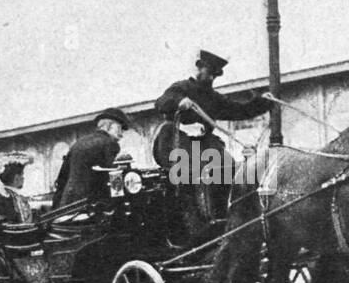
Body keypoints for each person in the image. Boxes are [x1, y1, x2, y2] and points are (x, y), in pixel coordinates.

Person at [153, 50, 272, 217]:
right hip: (178, 143)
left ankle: (229, 214)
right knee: (197, 176)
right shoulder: (180, 88)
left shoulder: (214, 98)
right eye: (209, 74)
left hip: (205, 144)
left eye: (214, 76)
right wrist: (178, 102)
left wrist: (262, 103)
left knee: (233, 170)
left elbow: (239, 110)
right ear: (199, 68)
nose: (211, 79)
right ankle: (199, 217)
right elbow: (160, 103)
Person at [56, 108, 129, 207]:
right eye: (120, 128)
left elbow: (62, 176)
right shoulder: (110, 143)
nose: (121, 134)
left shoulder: (78, 143)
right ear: (110, 126)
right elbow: (114, 178)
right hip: (92, 204)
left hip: (68, 203)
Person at [0, 152, 34, 223]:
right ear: (16, 179)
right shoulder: (1, 201)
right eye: (22, 175)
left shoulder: (2, 199)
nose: (23, 178)